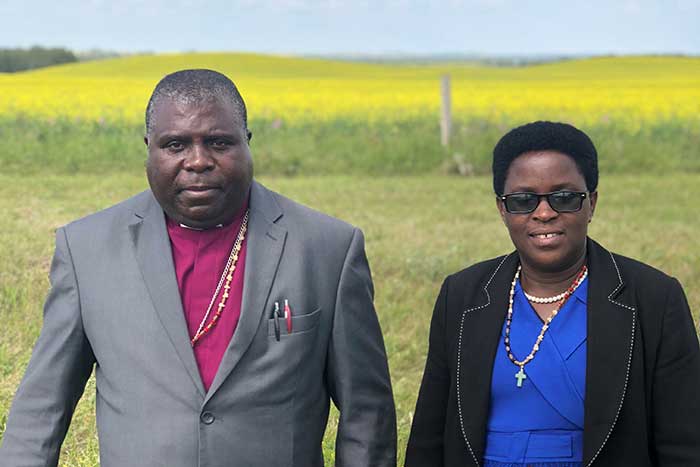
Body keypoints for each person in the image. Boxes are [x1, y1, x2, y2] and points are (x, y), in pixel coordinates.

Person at [0, 69, 396, 467]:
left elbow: (368, 415)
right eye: (175, 145)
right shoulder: (86, 249)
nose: (198, 162)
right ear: (149, 148)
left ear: (247, 143)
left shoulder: (327, 249)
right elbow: (41, 410)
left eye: (219, 143)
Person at [405, 121, 700, 466]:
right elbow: (429, 435)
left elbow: (684, 441)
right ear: (502, 209)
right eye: (523, 200)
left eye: (564, 198)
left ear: (591, 203)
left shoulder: (652, 298)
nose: (544, 213)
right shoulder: (463, 295)